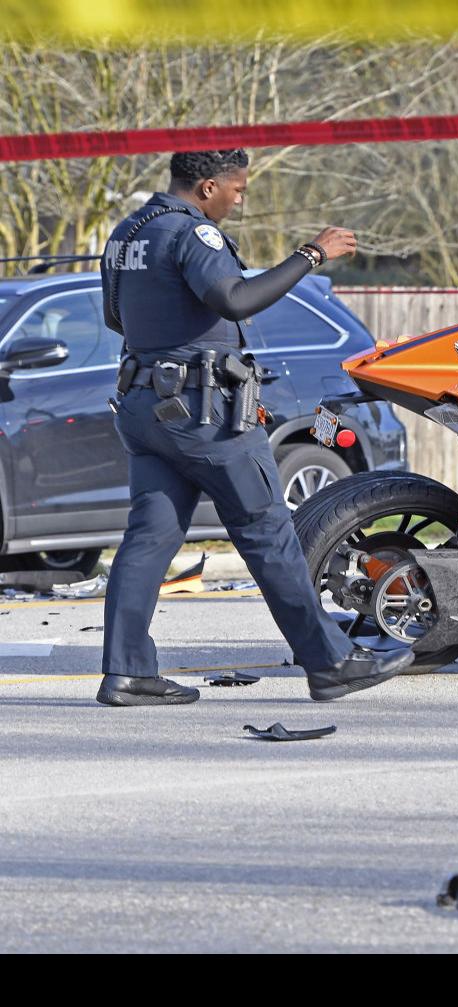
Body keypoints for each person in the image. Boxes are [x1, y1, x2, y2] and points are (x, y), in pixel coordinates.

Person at [95, 149, 413, 706]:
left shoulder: (128, 231)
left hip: (144, 405)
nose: (241, 199)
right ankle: (332, 662)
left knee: (148, 538)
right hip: (202, 412)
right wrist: (311, 254)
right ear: (208, 187)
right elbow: (235, 299)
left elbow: (114, 318)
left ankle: (127, 672)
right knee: (268, 532)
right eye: (238, 190)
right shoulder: (194, 235)